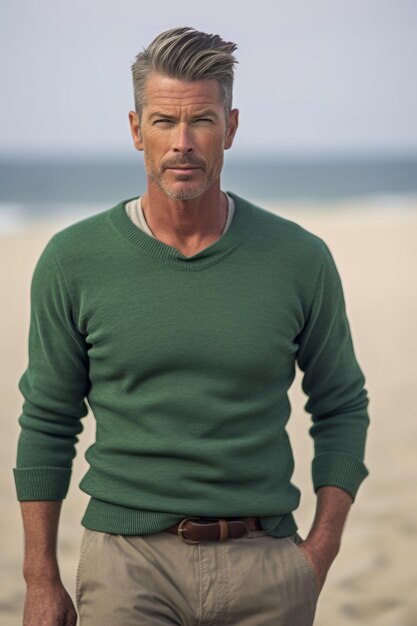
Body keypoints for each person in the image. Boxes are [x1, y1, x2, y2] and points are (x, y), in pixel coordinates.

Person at [14, 27, 369, 626]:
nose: (183, 143)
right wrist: (40, 579)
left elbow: (341, 405)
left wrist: (320, 551)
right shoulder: (72, 260)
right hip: (125, 564)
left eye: (201, 120)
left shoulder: (299, 258)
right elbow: (47, 420)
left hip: (268, 565)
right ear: (135, 130)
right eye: (162, 122)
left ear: (230, 127)